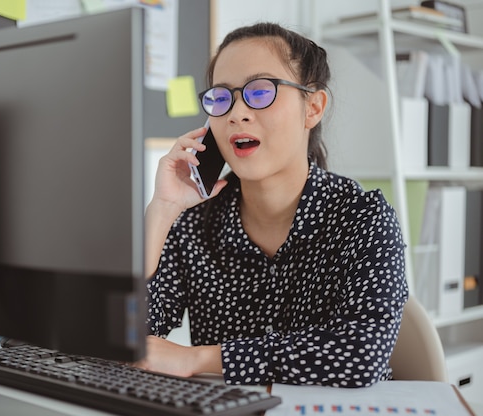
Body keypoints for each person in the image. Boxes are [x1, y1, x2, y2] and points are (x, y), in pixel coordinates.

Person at [137, 22, 408, 387]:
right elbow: (121, 336)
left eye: (260, 92)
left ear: (312, 107)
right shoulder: (192, 224)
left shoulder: (363, 218)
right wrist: (162, 210)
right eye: (221, 97)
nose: (236, 113)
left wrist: (197, 358)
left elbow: (360, 355)